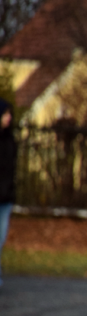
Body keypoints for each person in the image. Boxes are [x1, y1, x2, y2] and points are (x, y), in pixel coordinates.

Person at [0, 98, 17, 289]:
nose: (9, 118)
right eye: (5, 115)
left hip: (6, 198)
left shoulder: (10, 140)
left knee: (1, 237)